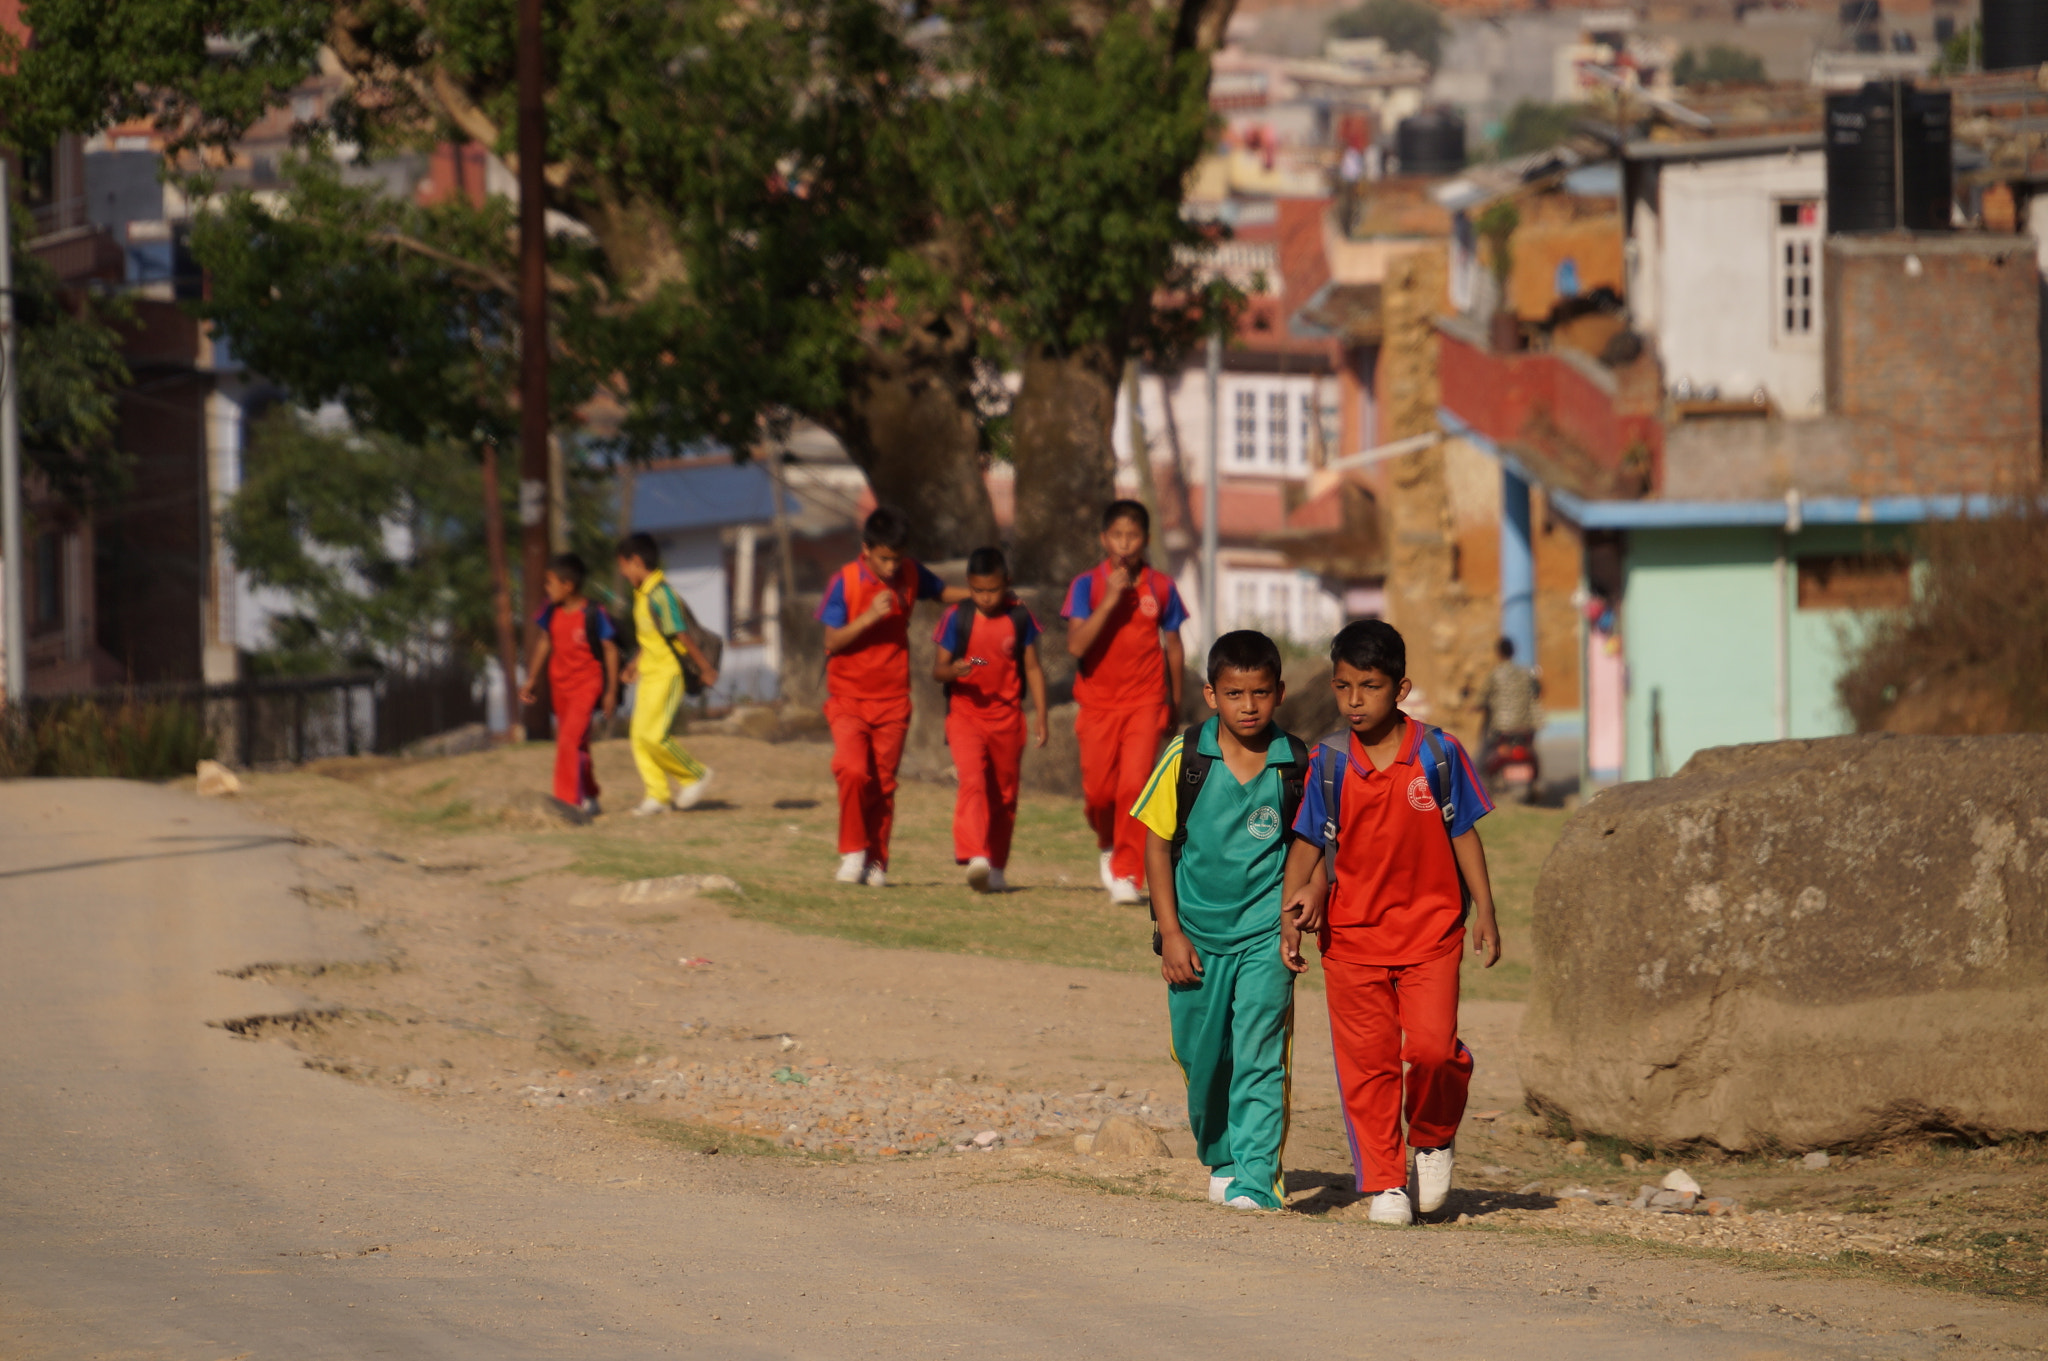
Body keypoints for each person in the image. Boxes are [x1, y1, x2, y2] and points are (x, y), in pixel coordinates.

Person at [1281, 619, 1502, 1227]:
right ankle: (1384, 1183)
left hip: (1432, 937)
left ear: (1400, 690)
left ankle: (1431, 1137)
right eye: (1343, 686)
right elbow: (1307, 841)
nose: (1354, 700)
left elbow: (1464, 832)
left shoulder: (1438, 753)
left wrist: (1485, 909)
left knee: (1432, 1052)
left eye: (1369, 686)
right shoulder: (1328, 761)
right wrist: (1291, 913)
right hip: (1351, 942)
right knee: (1369, 1065)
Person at [1131, 631, 1307, 1212]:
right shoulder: (1187, 758)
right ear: (1211, 694)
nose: (1249, 706)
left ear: (1279, 693)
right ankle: (1224, 1154)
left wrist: (1300, 909)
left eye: (1260, 693)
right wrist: (1171, 934)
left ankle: (1257, 1179)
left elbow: (1311, 848)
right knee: (1201, 1055)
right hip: (1196, 940)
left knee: (1259, 1051)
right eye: (1235, 693)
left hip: (1265, 935)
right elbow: (1156, 846)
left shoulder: (1295, 765)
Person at [818, 507, 970, 887]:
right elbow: (831, 640)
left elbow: (940, 592)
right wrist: (868, 617)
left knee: (883, 784)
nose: (891, 567)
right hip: (848, 698)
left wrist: (983, 594)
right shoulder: (846, 582)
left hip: (893, 700)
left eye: (897, 559)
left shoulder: (911, 573)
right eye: (884, 558)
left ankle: (877, 861)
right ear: (866, 549)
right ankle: (853, 852)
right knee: (853, 771)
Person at [1062, 500, 1188, 905]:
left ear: (1145, 540)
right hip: (1097, 704)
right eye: (1117, 535)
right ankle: (1106, 841)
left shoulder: (1162, 587)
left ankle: (1128, 874)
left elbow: (1173, 647)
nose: (1124, 544)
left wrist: (1177, 700)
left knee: (1135, 785)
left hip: (1145, 701)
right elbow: (1077, 645)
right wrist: (1109, 601)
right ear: (1104, 539)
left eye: (1132, 536)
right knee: (1099, 793)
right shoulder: (1087, 585)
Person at [932, 547, 1048, 894]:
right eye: (978, 590)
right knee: (973, 781)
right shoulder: (956, 617)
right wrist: (952, 670)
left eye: (993, 590)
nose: (985, 598)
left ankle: (996, 866)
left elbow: (1032, 668)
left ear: (1007, 584)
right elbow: (937, 670)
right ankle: (975, 855)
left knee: (1005, 795)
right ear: (968, 586)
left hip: (1008, 719)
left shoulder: (1020, 617)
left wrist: (1042, 716)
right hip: (965, 715)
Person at [616, 533, 717, 817]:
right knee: (639, 736)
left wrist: (706, 668)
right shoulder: (643, 594)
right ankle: (657, 795)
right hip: (649, 673)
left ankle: (695, 775)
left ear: (636, 562)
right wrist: (634, 663)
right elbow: (651, 637)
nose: (623, 574)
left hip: (668, 673)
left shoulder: (661, 593)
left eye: (624, 567)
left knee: (656, 736)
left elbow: (680, 634)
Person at [518, 552, 620, 819]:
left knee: (566, 741)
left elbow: (610, 650)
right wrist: (532, 679)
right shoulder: (549, 610)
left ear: (568, 585)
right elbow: (545, 641)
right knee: (577, 744)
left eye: (550, 583)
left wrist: (611, 691)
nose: (546, 588)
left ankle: (565, 805)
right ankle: (590, 795)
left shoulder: (594, 613)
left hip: (587, 686)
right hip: (559, 687)